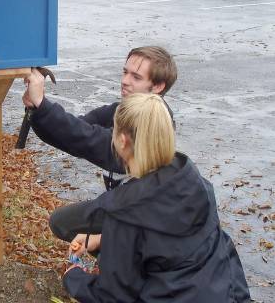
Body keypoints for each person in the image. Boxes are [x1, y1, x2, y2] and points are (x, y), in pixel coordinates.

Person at [62, 93, 250, 302]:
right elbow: (169, 245)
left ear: (122, 141)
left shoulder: (126, 211)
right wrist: (103, 240)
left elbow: (113, 296)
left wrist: (74, 276)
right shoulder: (194, 182)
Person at [22, 46, 177, 243]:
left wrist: (43, 104)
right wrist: (38, 109)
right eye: (125, 72)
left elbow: (95, 143)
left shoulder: (154, 123)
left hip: (147, 215)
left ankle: (125, 258)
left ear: (157, 87)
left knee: (62, 222)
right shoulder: (123, 110)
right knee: (65, 222)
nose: (125, 81)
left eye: (136, 77)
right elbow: (74, 131)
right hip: (128, 204)